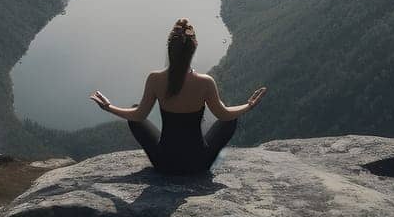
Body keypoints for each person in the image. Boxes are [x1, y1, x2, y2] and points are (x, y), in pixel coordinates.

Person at [89, 18, 267, 175]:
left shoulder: (155, 79)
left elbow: (138, 116)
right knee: (231, 118)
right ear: (193, 49)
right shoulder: (205, 82)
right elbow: (224, 115)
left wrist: (108, 107)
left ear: (169, 49)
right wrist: (249, 105)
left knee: (135, 109)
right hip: (198, 164)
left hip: (164, 163)